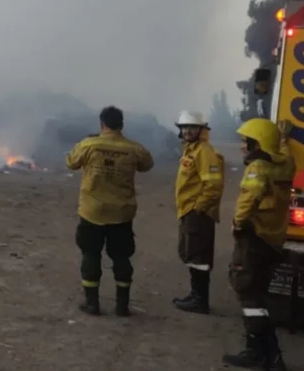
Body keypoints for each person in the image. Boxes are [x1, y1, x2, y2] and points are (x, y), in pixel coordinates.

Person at [65, 106, 154, 317]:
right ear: (121, 125)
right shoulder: (133, 149)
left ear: (102, 124)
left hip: (92, 212)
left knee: (90, 254)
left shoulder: (89, 145)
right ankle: (122, 306)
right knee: (122, 257)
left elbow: (71, 162)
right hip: (121, 214)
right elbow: (147, 164)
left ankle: (92, 303)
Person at [221, 118, 293, 371]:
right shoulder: (285, 166)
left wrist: (237, 223)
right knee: (257, 294)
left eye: (246, 142)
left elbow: (248, 199)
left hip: (254, 238)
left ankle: (265, 353)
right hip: (273, 239)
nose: (243, 147)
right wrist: (283, 138)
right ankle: (267, 354)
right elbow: (284, 154)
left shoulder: (258, 168)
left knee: (249, 294)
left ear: (258, 144)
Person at [172, 111, 225, 314]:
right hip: (189, 211)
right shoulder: (191, 151)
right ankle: (195, 295)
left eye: (192, 127)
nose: (187, 131)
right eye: (184, 127)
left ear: (202, 130)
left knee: (199, 256)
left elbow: (213, 185)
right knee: (191, 253)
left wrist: (199, 208)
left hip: (197, 213)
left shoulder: (204, 151)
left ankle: (200, 300)